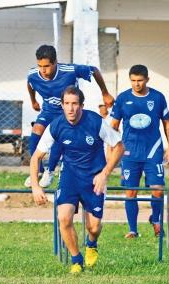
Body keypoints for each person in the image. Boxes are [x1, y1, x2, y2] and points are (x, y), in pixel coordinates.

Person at [31, 86, 123, 274]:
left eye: (74, 104)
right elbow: (35, 157)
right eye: (66, 104)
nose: (70, 108)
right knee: (63, 218)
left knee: (94, 227)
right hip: (70, 177)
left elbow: (119, 147)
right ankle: (76, 260)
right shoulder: (56, 126)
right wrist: (35, 186)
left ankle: (92, 243)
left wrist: (104, 174)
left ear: (82, 105)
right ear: (62, 105)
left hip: (94, 179)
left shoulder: (95, 122)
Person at [25, 45, 115, 188]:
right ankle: (37, 172)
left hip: (67, 111)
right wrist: (33, 100)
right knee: (35, 134)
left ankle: (50, 171)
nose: (43, 70)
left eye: (47, 66)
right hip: (48, 110)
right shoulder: (33, 74)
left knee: (59, 138)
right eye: (40, 66)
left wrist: (105, 93)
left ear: (55, 62)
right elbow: (30, 84)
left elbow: (94, 70)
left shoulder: (70, 71)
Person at [110, 64, 169, 239]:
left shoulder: (158, 97)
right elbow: (113, 126)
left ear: (147, 79)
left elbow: (167, 123)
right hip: (130, 152)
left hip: (153, 150)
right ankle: (132, 229)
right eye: (133, 81)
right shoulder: (122, 99)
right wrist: (112, 150)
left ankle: (155, 219)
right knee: (131, 192)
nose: (136, 84)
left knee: (158, 189)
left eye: (139, 80)